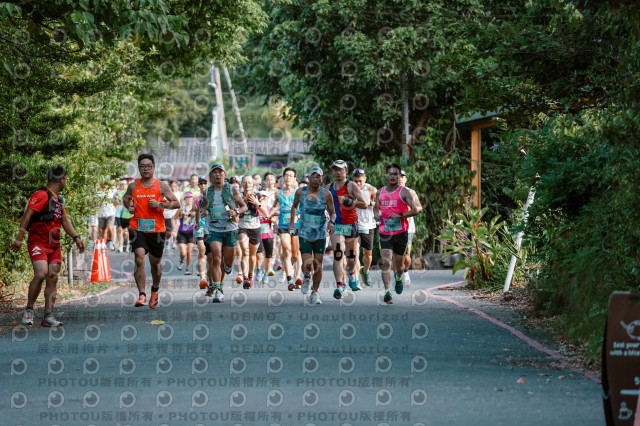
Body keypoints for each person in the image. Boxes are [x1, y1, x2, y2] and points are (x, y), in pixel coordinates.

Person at [12, 165, 85, 327]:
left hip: (54, 246)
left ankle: (48, 316)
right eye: (65, 179)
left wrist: (76, 237)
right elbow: (27, 216)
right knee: (40, 274)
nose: (66, 181)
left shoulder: (58, 199)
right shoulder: (40, 195)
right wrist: (19, 238)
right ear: (61, 180)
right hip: (38, 243)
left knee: (53, 277)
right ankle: (28, 310)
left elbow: (64, 220)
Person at [122, 154, 180, 309]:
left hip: (157, 230)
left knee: (155, 264)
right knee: (139, 256)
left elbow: (176, 203)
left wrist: (160, 205)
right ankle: (142, 294)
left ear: (153, 168)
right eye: (143, 166)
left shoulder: (161, 186)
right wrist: (129, 206)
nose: (146, 169)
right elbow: (125, 198)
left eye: (148, 166)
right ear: (139, 168)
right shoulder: (133, 186)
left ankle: (155, 290)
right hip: (137, 227)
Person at [197, 164, 247, 303]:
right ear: (211, 176)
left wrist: (236, 211)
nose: (217, 174)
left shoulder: (232, 189)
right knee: (216, 257)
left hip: (230, 228)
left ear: (224, 175)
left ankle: (227, 267)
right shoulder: (207, 192)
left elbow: (244, 206)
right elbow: (202, 209)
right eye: (215, 172)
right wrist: (203, 212)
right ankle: (218, 289)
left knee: (228, 262)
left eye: (220, 172)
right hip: (213, 229)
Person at [375, 163, 422, 304]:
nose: (392, 176)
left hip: (401, 232)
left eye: (395, 174)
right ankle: (387, 291)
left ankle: (399, 277)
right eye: (390, 173)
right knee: (386, 261)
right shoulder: (380, 192)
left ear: (399, 176)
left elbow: (415, 210)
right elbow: (376, 208)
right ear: (386, 175)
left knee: (399, 266)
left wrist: (400, 215)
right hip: (385, 232)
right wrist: (376, 215)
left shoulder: (405, 192)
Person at [288, 166, 335, 305]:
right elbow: (294, 206)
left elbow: (333, 212)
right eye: (313, 176)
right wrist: (292, 223)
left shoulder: (326, 194)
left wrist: (331, 222)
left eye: (318, 176)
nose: (316, 179)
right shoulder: (300, 192)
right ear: (308, 178)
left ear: (322, 178)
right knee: (307, 262)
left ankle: (315, 292)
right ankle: (307, 276)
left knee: (318, 264)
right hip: (304, 232)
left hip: (320, 233)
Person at [327, 160, 367, 299]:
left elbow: (364, 204)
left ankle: (351, 273)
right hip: (336, 225)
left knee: (351, 257)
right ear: (332, 171)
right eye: (335, 169)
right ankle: (340, 285)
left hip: (351, 224)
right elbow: (325, 205)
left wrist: (349, 201)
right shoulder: (329, 187)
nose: (338, 172)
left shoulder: (351, 186)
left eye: (341, 169)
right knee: (338, 254)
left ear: (346, 171)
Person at [270, 167, 302, 291]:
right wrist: (269, 214)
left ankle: (293, 271)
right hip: (283, 226)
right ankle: (290, 280)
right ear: (283, 178)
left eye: (291, 176)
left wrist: (297, 216)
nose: (288, 177)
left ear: (294, 179)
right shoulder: (278, 193)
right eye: (286, 175)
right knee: (287, 250)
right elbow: (275, 207)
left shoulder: (298, 193)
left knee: (295, 255)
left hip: (295, 226)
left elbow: (303, 208)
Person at [237, 175, 268, 289]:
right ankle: (245, 277)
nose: (247, 184)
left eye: (249, 182)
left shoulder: (258, 196)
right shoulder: (238, 196)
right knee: (245, 251)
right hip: (242, 226)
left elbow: (266, 213)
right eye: (245, 182)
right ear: (242, 184)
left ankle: (250, 275)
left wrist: (256, 203)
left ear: (253, 184)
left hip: (255, 227)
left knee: (252, 255)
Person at [353, 168, 377, 286]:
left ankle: (365, 271)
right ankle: (355, 279)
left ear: (365, 179)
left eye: (360, 181)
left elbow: (380, 204)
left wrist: (370, 203)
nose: (358, 183)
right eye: (356, 181)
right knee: (355, 253)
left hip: (368, 225)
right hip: (354, 225)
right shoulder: (350, 189)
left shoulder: (371, 189)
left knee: (367, 254)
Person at [399, 170, 418, 286]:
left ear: (405, 179)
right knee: (395, 255)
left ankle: (405, 271)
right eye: (398, 176)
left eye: (402, 177)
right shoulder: (389, 192)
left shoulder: (411, 192)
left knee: (406, 256)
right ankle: (398, 277)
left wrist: (408, 211)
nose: (400, 179)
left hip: (408, 228)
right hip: (394, 228)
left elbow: (419, 207)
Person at [173, 191, 196, 275]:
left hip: (191, 233)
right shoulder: (181, 209)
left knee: (189, 252)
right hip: (182, 233)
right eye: (187, 197)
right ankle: (182, 260)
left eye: (190, 197)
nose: (189, 199)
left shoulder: (195, 209)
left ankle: (187, 268)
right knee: (183, 252)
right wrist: (174, 230)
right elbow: (174, 218)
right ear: (185, 199)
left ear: (193, 199)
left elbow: (200, 218)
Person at [113, 178, 132, 252]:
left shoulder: (129, 192)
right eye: (121, 185)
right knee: (119, 229)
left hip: (127, 214)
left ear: (126, 185)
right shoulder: (117, 193)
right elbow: (114, 204)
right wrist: (117, 201)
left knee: (127, 231)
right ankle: (120, 245)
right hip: (118, 214)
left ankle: (127, 244)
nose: (122, 186)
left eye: (124, 185)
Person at [97, 182, 117, 250]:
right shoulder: (98, 192)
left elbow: (116, 200)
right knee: (103, 229)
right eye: (103, 184)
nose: (105, 185)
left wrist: (115, 203)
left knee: (109, 227)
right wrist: (99, 202)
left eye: (106, 184)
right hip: (101, 213)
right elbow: (94, 200)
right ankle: (104, 242)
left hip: (110, 213)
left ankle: (110, 241)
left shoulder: (112, 191)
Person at [163, 179, 180, 251]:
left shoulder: (179, 194)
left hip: (176, 214)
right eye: (172, 185)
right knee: (167, 231)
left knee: (174, 229)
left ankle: (174, 242)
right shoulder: (167, 194)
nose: (173, 187)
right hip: (167, 214)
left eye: (175, 185)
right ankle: (167, 240)